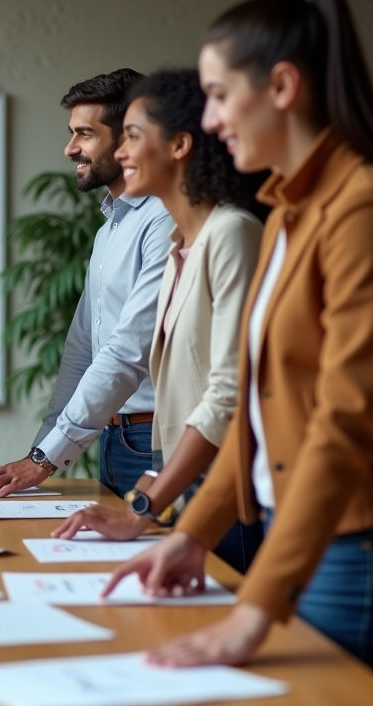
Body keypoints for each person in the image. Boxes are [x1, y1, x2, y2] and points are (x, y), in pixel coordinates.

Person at [103, 0, 373, 688]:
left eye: (221, 96)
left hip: (365, 545)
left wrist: (254, 608)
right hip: (316, 536)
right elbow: (259, 414)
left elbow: (344, 424)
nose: (209, 120)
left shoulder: (368, 209)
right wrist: (190, 536)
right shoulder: (290, 213)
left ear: (285, 88)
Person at [54, 69, 266, 573]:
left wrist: (143, 506)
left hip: (220, 479)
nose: (122, 154)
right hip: (181, 470)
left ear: (180, 146)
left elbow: (228, 394)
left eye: (131, 136)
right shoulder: (177, 247)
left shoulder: (232, 233)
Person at [0, 69, 174, 498]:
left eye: (85, 134)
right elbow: (82, 348)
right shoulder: (111, 228)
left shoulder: (165, 221)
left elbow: (128, 351)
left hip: (156, 442)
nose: (70, 149)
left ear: (130, 139)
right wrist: (40, 452)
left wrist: (46, 459)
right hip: (114, 440)